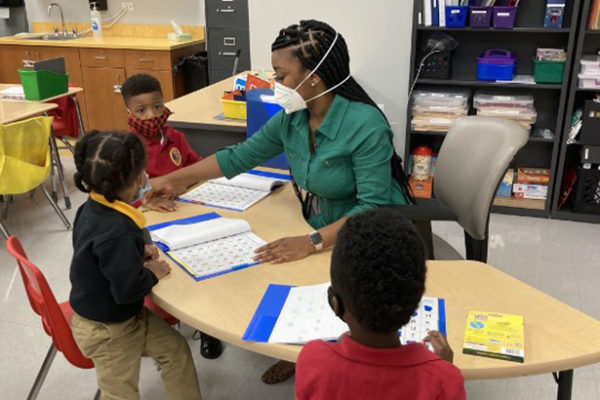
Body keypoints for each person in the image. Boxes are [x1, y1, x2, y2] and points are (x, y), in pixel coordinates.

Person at [144, 19, 412, 383]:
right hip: (317, 218)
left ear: (314, 76)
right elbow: (239, 156)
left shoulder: (365, 125)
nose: (275, 84)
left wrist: (311, 241)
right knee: (274, 265)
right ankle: (303, 344)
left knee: (325, 281)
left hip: (369, 230)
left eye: (281, 75)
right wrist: (171, 180)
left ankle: (321, 353)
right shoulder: (294, 116)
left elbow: (372, 207)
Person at [69, 130, 203, 400]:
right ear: (139, 177)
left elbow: (93, 254)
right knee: (120, 394)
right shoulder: (117, 231)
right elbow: (128, 291)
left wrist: (135, 251)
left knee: (175, 351)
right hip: (107, 330)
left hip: (123, 316)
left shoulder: (92, 208)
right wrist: (152, 271)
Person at [295, 208, 466, 400]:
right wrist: (445, 368)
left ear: (336, 305)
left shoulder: (313, 360)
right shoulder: (444, 381)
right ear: (414, 302)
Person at [122, 74, 224, 359]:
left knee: (204, 264)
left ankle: (207, 328)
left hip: (185, 211)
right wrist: (146, 202)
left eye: (157, 106)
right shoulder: (126, 148)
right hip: (147, 226)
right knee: (169, 270)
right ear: (128, 112)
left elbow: (198, 170)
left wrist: (182, 185)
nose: (152, 115)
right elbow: (118, 198)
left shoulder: (176, 137)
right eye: (141, 110)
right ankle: (159, 319)